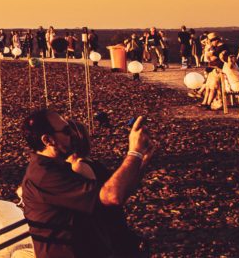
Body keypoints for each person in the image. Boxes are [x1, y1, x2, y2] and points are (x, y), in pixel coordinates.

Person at [19, 108, 155, 257]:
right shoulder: (45, 176)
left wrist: (141, 159)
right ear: (47, 140)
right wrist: (134, 152)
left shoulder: (58, 167)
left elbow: (118, 194)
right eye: (66, 131)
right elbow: (112, 196)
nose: (73, 133)